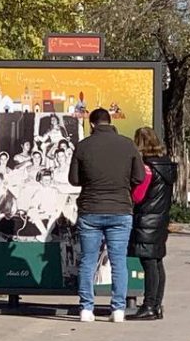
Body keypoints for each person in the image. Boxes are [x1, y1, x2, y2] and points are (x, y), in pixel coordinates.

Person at [69, 108, 145, 323]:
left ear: (92, 124)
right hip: (121, 210)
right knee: (119, 261)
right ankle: (118, 309)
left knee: (88, 261)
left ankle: (86, 309)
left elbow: (74, 179)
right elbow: (139, 177)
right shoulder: (127, 144)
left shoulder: (83, 146)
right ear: (109, 122)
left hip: (90, 210)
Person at [128, 127, 176, 321]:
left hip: (146, 219)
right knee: (157, 261)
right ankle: (156, 305)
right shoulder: (167, 166)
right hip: (160, 219)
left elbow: (138, 196)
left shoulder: (147, 168)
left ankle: (149, 305)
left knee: (148, 263)